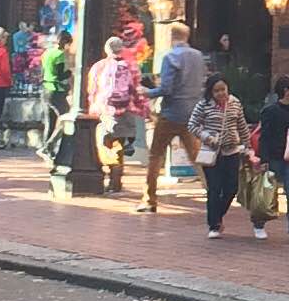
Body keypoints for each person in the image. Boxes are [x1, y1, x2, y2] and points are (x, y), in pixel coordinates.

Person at [139, 21, 211, 211]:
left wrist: (147, 92)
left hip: (171, 114)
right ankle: (212, 193)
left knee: (155, 155)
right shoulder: (198, 57)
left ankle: (149, 199)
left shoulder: (170, 57)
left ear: (171, 37)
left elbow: (166, 88)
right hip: (192, 113)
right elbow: (203, 84)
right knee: (197, 156)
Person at [87, 35, 150, 171]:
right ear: (121, 49)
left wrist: (93, 108)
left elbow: (92, 90)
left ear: (106, 49)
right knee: (119, 145)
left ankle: (107, 170)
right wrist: (142, 109)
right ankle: (115, 178)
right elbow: (137, 89)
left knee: (105, 144)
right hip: (126, 110)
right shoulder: (132, 66)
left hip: (105, 111)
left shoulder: (98, 66)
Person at [195, 75, 249, 234]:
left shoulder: (235, 103)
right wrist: (207, 137)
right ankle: (214, 225)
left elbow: (242, 125)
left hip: (231, 151)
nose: (220, 93)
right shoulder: (203, 105)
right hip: (211, 153)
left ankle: (216, 216)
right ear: (211, 92)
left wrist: (248, 146)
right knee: (214, 188)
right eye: (216, 91)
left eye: (223, 89)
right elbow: (193, 125)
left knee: (232, 187)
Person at [255, 76, 289, 237]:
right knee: (268, 192)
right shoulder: (271, 111)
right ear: (286, 91)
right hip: (274, 157)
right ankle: (259, 223)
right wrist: (264, 159)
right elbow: (264, 136)